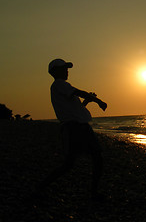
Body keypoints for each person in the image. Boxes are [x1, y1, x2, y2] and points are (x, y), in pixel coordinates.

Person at [39, 58, 108, 200]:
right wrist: (98, 101)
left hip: (78, 127)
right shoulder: (59, 84)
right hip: (74, 129)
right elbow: (78, 92)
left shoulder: (62, 88)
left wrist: (87, 101)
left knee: (87, 159)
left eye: (67, 68)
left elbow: (75, 110)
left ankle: (41, 188)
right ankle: (93, 193)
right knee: (78, 162)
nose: (67, 71)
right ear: (55, 71)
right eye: (64, 68)